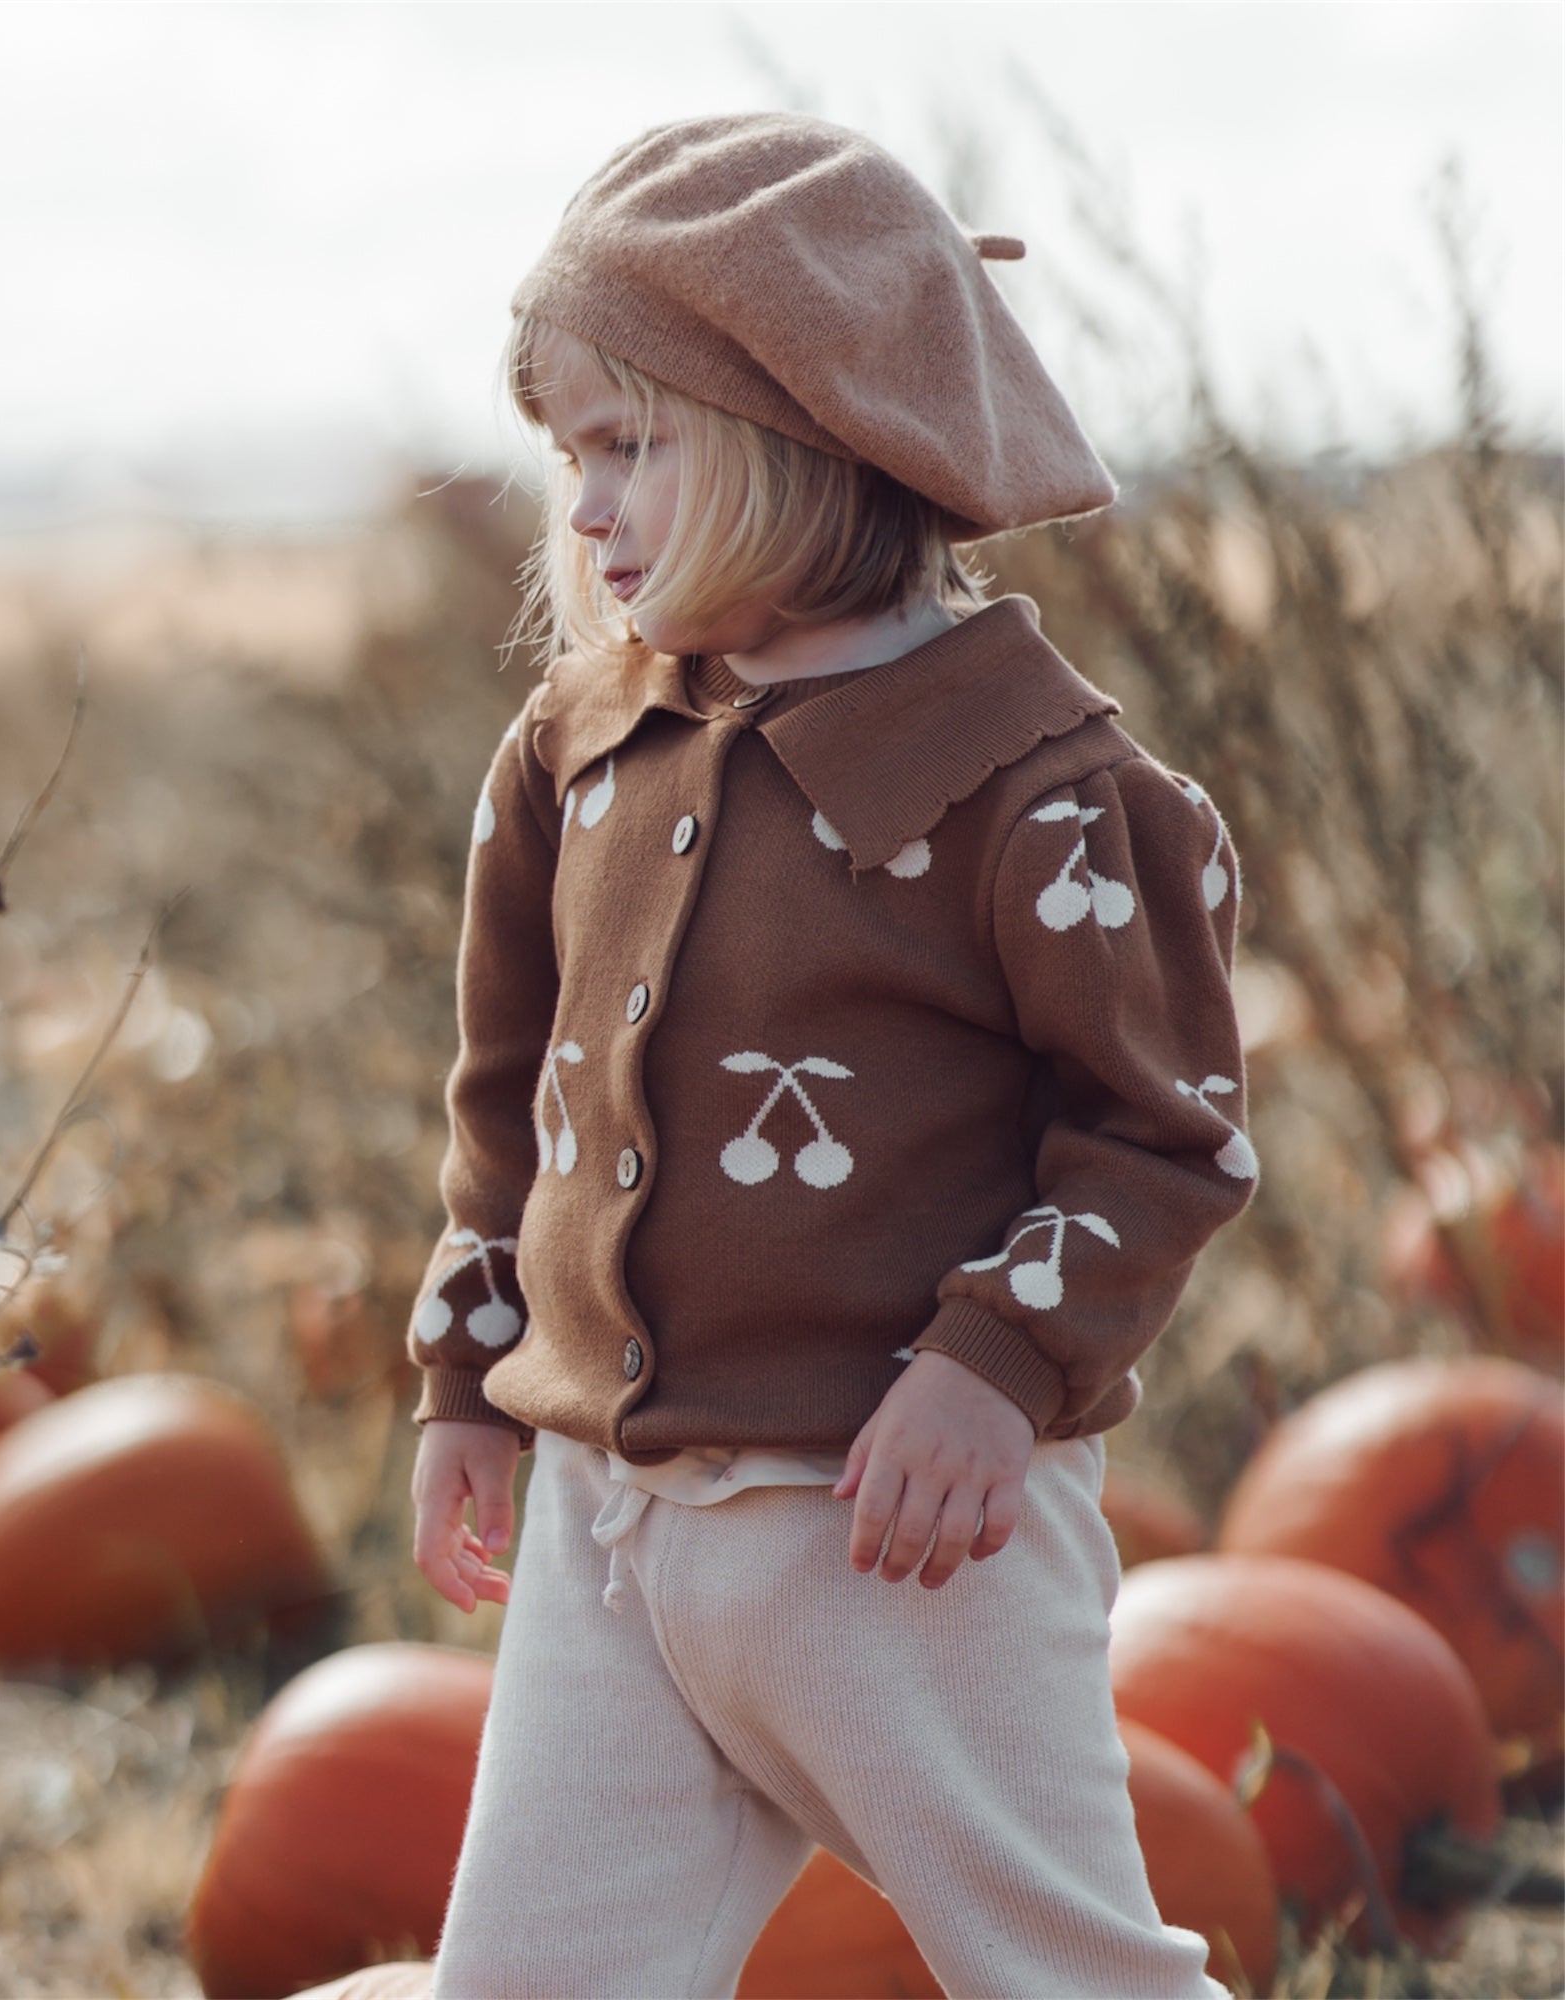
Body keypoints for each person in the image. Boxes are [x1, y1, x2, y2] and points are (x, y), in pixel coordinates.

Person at [407, 111, 1258, 2000]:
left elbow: (1162, 1137)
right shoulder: (576, 746)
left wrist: (997, 1366)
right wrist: (469, 1368)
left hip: (895, 1540)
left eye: (634, 444)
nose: (588, 508)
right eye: (570, 456)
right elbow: (510, 1097)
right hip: (608, 1523)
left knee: (1067, 1975)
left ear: (813, 437)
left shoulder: (1039, 799)